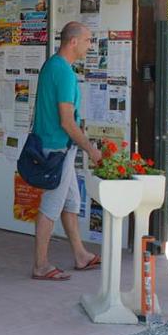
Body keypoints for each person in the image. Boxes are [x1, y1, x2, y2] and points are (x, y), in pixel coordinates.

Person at [31, 21, 103, 281]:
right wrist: (91, 149)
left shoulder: (53, 65)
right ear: (73, 42)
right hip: (57, 149)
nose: (90, 46)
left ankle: (81, 255)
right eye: (87, 40)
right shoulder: (63, 72)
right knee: (51, 206)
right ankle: (40, 265)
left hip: (58, 147)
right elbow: (67, 121)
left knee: (71, 202)